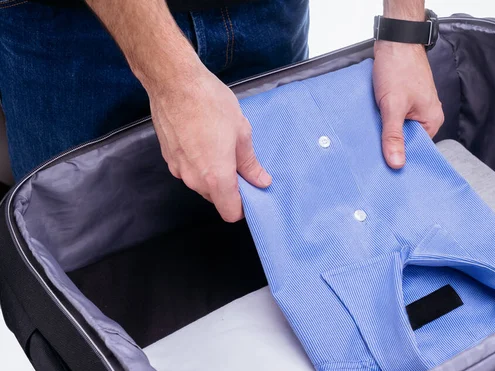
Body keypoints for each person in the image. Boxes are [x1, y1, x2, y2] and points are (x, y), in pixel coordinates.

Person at [0, 0, 443, 222]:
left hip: (267, 10)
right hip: (73, 28)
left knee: (284, 230)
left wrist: (404, 28)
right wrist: (172, 79)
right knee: (92, 267)